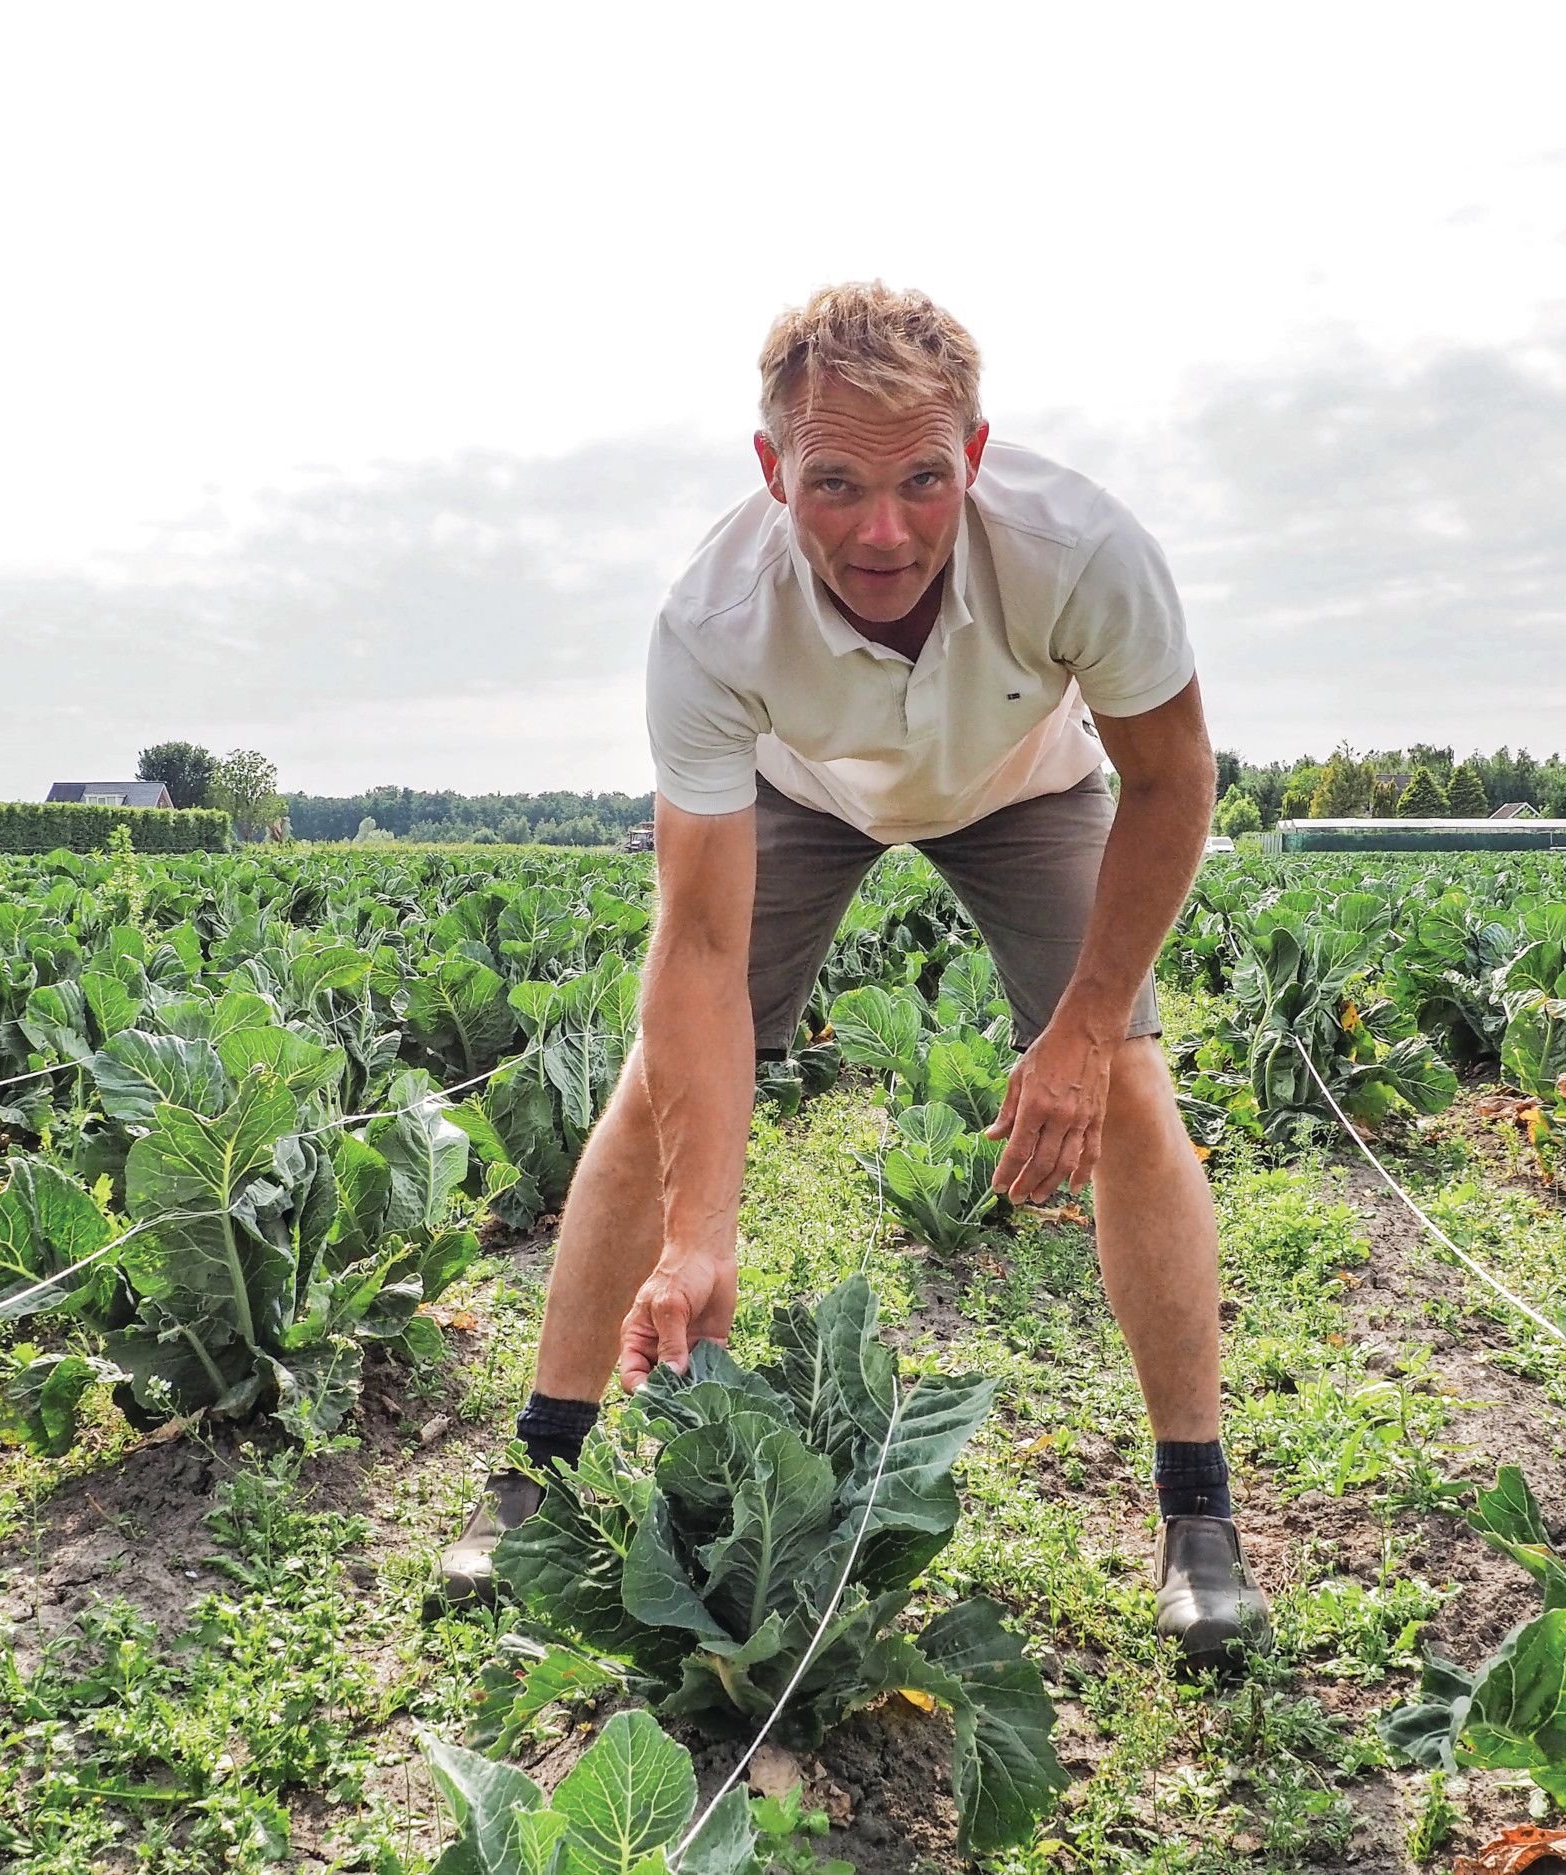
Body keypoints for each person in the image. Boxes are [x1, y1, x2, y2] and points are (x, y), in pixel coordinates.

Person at [433, 282, 1264, 1664]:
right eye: (834, 484)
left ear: (975, 459)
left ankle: (1199, 1514)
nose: (884, 530)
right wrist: (703, 1232)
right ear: (772, 472)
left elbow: (1175, 784)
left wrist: (1083, 1026)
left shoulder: (1083, 551)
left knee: (1124, 1088)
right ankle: (543, 1463)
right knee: (655, 1096)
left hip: (1027, 788)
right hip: (798, 793)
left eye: (922, 480)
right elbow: (697, 950)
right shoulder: (712, 622)